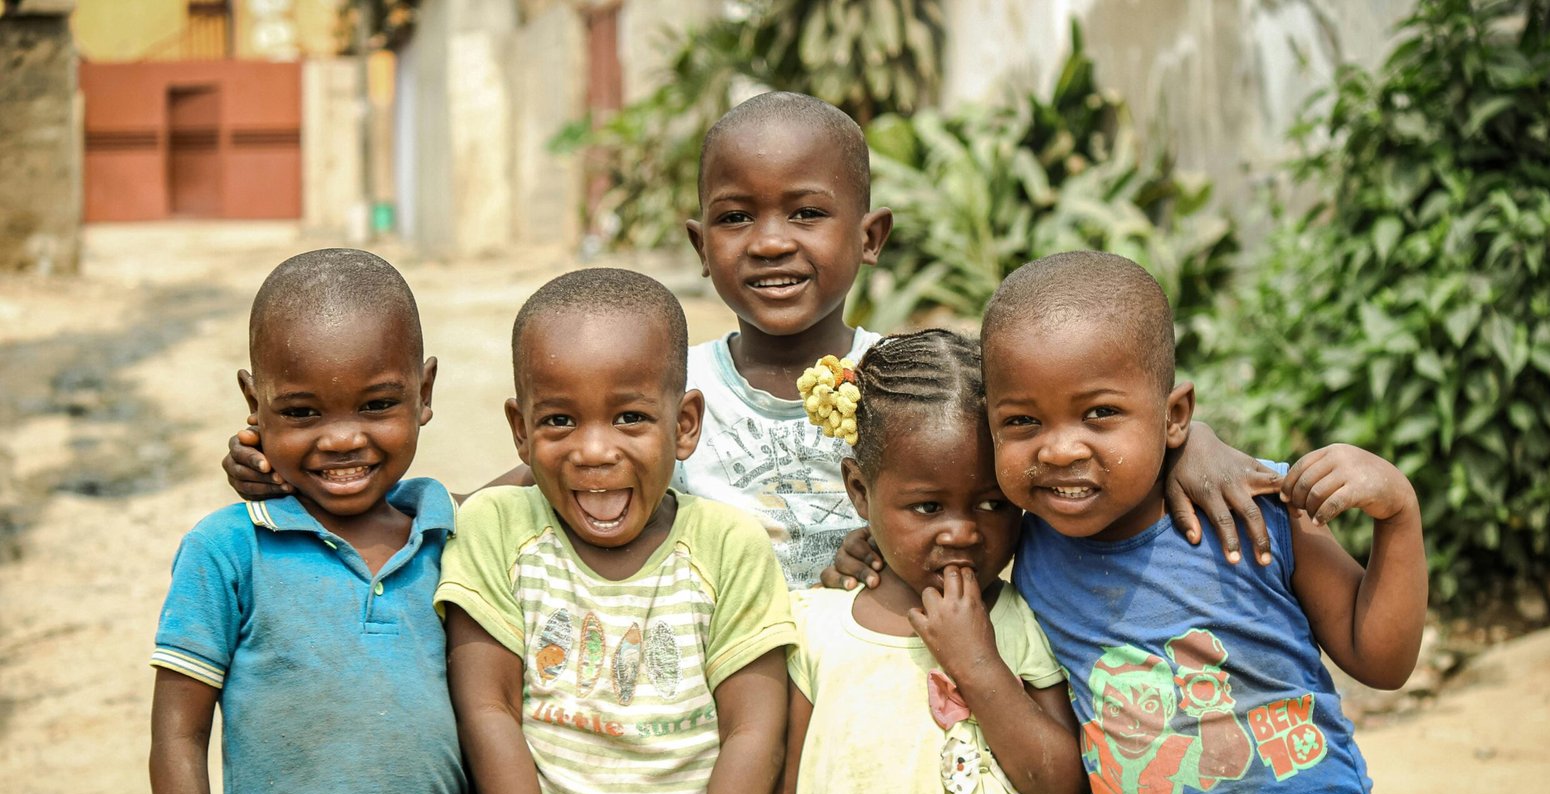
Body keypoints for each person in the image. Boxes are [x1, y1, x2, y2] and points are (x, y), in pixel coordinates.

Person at [222, 92, 1275, 587]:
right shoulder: (658, 393)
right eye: (736, 217)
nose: (769, 243)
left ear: (871, 237)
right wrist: (317, 477)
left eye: (805, 214)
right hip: (721, 716)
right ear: (698, 240)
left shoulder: (915, 380)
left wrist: (1200, 443)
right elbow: (518, 485)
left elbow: (1069, 414)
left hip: (888, 700)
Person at [983, 251, 1428, 794]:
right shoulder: (1027, 545)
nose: (1058, 449)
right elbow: (929, 497)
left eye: (1100, 413)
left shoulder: (1251, 515)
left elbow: (1382, 654)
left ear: (1176, 414)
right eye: (1022, 422)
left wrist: (1397, 512)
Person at [148, 249, 521, 794]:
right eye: (303, 411)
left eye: (379, 404)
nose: (343, 438)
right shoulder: (226, 550)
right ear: (254, 404)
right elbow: (177, 737)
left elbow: (560, 465)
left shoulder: (457, 534)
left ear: (425, 393)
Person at [435, 267, 795, 794]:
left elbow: (753, 731)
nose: (596, 451)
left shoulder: (728, 546)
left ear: (686, 421)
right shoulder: (497, 528)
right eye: (559, 420)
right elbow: (485, 708)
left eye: (631, 417)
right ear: (519, 430)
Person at [752, 329, 1091, 794]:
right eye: (927, 504)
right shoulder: (818, 632)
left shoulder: (1020, 624)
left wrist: (977, 661)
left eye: (993, 503)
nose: (962, 531)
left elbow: (1063, 786)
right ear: (859, 490)